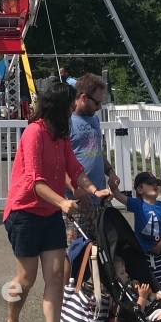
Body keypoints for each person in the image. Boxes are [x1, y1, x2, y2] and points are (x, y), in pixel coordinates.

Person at [3, 82, 111, 322]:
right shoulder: (34, 133)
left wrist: (95, 190)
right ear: (60, 107)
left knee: (55, 274)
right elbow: (34, 181)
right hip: (24, 212)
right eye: (70, 106)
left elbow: (75, 170)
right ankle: (12, 319)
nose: (73, 110)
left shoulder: (61, 137)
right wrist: (63, 202)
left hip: (49, 214)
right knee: (26, 277)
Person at [63, 74, 117, 272]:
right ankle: (68, 293)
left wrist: (110, 171)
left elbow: (97, 151)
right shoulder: (67, 122)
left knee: (105, 249)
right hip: (77, 200)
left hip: (99, 197)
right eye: (97, 102)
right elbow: (59, 162)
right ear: (83, 97)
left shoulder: (94, 119)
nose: (99, 107)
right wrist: (74, 188)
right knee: (75, 253)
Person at [109, 172, 161, 294]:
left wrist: (159, 246)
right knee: (145, 284)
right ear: (140, 189)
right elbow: (120, 197)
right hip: (142, 254)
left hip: (160, 255)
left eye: (156, 184)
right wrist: (114, 188)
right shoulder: (137, 204)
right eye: (150, 184)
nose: (154, 186)